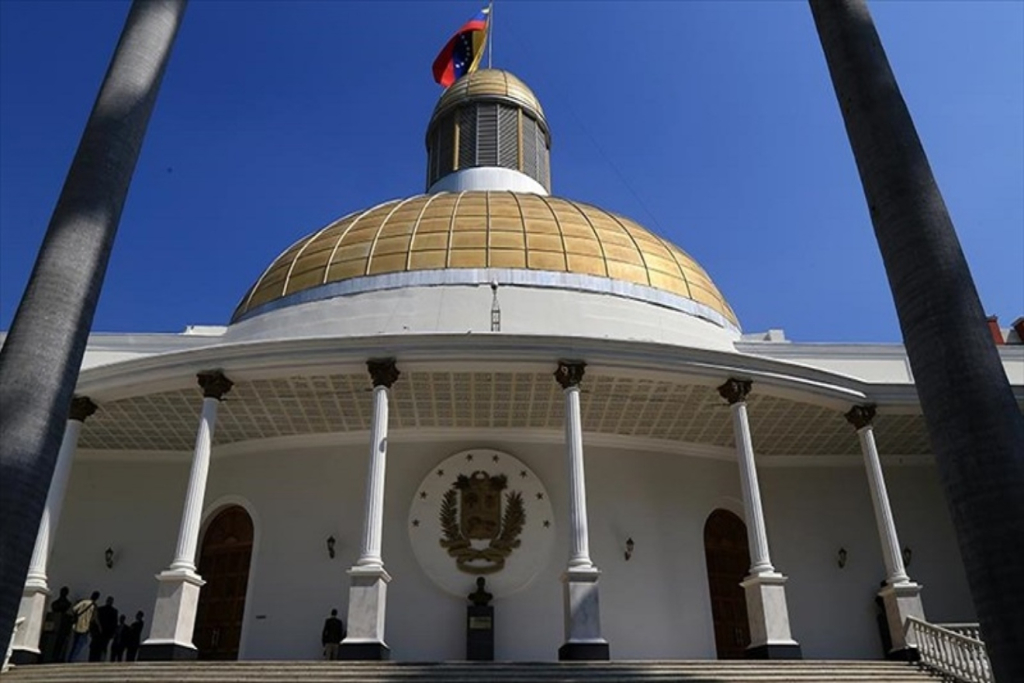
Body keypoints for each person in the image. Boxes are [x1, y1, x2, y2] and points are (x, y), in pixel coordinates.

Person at [67, 591, 99, 662]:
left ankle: (70, 658)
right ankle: (73, 659)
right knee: (80, 644)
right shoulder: (94, 606)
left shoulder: (84, 602)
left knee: (74, 644)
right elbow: (94, 618)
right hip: (85, 627)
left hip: (77, 626)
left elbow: (74, 609)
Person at [89, 596, 118, 662]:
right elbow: (114, 624)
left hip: (99, 633)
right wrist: (112, 634)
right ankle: (100, 660)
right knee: (103, 648)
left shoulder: (100, 609)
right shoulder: (114, 612)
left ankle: (93, 659)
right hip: (106, 634)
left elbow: (94, 621)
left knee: (95, 648)